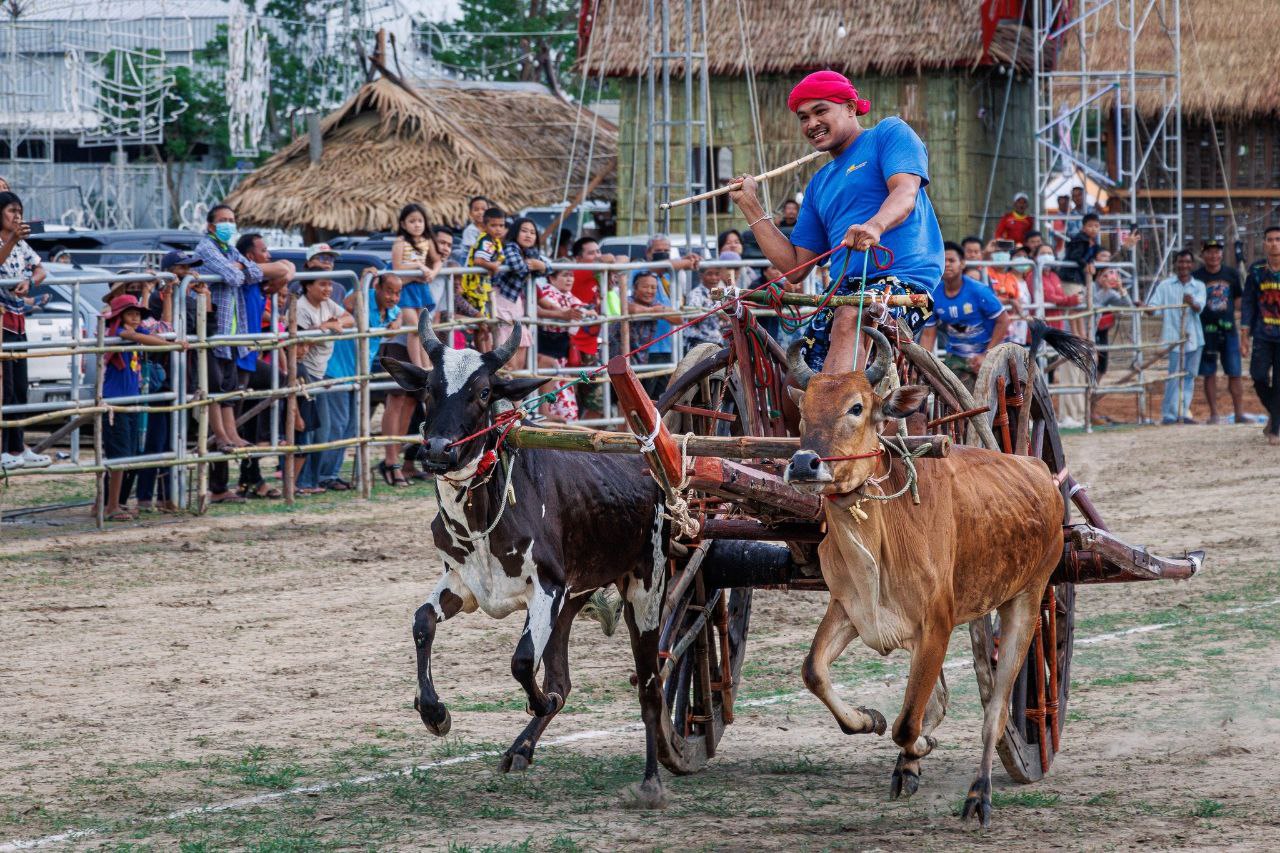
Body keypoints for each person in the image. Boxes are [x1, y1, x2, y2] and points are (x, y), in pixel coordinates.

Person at [730, 69, 943, 372]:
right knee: (795, 391)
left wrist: (875, 226)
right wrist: (749, 205)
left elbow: (905, 193)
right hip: (846, 292)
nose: (811, 123)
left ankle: (838, 416)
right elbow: (794, 267)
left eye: (820, 111)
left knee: (850, 316)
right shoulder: (819, 183)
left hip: (902, 283)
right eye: (803, 117)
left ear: (851, 107)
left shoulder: (889, 133)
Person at [99, 294, 185, 521]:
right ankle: (111, 506)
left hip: (130, 400)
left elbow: (153, 334)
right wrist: (173, 345)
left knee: (127, 454)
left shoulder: (137, 335)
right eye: (130, 313)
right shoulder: (118, 333)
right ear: (119, 316)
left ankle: (110, 503)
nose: (136, 318)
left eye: (138, 314)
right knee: (118, 456)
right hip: (115, 402)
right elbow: (138, 336)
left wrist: (169, 342)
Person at [192, 203, 259, 456]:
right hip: (211, 325)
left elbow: (253, 272)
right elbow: (233, 277)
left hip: (232, 328)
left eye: (232, 219)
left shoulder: (229, 248)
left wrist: (240, 268)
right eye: (224, 220)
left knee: (229, 386)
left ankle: (233, 434)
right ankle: (220, 436)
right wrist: (240, 269)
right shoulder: (206, 248)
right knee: (214, 386)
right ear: (211, 226)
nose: (229, 224)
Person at [232, 235, 292, 499]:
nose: (268, 255)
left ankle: (250, 478)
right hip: (234, 355)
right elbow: (281, 268)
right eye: (263, 250)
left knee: (249, 416)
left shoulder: (253, 279)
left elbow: (286, 270)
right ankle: (227, 482)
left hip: (248, 354)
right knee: (232, 420)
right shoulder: (239, 277)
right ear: (248, 255)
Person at [0, 190, 51, 471]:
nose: (16, 216)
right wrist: (12, 240)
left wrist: (30, 281)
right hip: (1, 320)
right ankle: (3, 449)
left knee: (20, 385)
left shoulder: (21, 245)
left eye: (19, 211)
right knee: (3, 387)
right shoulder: (10, 242)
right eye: (10, 211)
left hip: (18, 319)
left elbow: (41, 268)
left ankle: (17, 447)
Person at [918, 242, 1011, 389]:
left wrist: (987, 354)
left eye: (952, 260)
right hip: (956, 357)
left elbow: (1003, 321)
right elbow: (928, 335)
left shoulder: (979, 291)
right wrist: (921, 364)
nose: (947, 264)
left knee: (996, 402)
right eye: (943, 261)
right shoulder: (934, 295)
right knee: (951, 400)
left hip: (989, 352)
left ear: (962, 264)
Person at [294, 274, 354, 494]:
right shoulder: (301, 307)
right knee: (307, 429)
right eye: (322, 284)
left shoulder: (327, 303)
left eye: (330, 283)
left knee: (322, 429)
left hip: (319, 374)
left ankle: (313, 480)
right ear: (308, 286)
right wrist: (322, 328)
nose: (328, 288)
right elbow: (300, 343)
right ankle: (302, 482)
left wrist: (333, 323)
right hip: (305, 373)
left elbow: (350, 318)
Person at [1192, 238, 1246, 424]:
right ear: (1203, 254)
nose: (1213, 255)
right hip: (1206, 332)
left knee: (1235, 371)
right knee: (1209, 372)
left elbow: (1238, 300)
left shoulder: (1231, 274)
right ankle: (1214, 414)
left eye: (1217, 252)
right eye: (1209, 252)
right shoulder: (1197, 276)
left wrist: (1248, 312)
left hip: (1229, 330)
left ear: (1221, 254)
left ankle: (1239, 413)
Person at [1149, 249, 1206, 425]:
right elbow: (1154, 307)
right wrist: (1147, 309)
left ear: (1192, 265)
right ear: (1175, 264)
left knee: (1189, 376)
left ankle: (1183, 411)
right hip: (1173, 337)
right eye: (1181, 262)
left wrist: (1192, 302)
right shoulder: (1165, 286)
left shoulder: (1199, 286)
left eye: (1187, 262)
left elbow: (1199, 308)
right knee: (1174, 376)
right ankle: (1169, 414)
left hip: (1194, 338)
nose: (1184, 265)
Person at [490, 216, 550, 370]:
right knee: (506, 363)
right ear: (515, 232)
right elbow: (518, 267)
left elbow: (549, 268)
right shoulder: (510, 247)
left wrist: (541, 265)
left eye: (532, 232)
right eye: (524, 231)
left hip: (515, 306)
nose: (528, 235)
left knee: (519, 364)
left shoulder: (531, 252)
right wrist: (536, 267)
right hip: (501, 302)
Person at [535, 267, 592, 422]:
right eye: (565, 275)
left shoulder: (568, 295)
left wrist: (584, 312)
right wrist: (567, 313)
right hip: (546, 347)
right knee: (562, 406)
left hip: (562, 354)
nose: (570, 279)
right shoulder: (547, 292)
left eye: (571, 276)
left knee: (568, 409)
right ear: (552, 278)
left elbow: (585, 309)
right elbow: (552, 310)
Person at [1242, 226, 1280, 445]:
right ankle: (1277, 416)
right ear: (1264, 243)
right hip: (1263, 333)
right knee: (1258, 376)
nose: (1274, 243)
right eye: (1270, 240)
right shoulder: (1256, 269)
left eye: (1278, 239)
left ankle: (1275, 430)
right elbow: (1248, 302)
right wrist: (1244, 332)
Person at [568, 236, 612, 420]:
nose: (597, 256)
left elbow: (617, 261)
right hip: (572, 348)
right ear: (578, 259)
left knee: (598, 405)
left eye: (598, 251)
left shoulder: (597, 275)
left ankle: (582, 443)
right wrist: (605, 260)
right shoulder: (576, 273)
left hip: (591, 348)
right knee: (572, 404)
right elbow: (611, 259)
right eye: (591, 253)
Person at [391, 203, 442, 316]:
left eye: (420, 221)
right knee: (415, 329)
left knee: (421, 328)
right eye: (412, 221)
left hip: (421, 288)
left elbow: (437, 261)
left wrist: (433, 273)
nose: (417, 225)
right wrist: (418, 265)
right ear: (403, 225)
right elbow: (397, 267)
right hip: (404, 288)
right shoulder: (401, 241)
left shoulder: (427, 240)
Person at [1062, 212, 1102, 284]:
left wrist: (1091, 263)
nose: (1093, 229)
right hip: (1071, 278)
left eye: (1096, 226)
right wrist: (1086, 265)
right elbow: (1075, 256)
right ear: (1083, 228)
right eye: (1090, 226)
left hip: (1081, 277)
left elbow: (1090, 258)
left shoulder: (1095, 243)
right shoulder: (1079, 240)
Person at [428, 225, 455, 318]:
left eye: (449, 245)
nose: (446, 248)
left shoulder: (446, 272)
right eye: (442, 243)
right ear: (430, 242)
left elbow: (437, 313)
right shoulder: (411, 266)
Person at [458, 195, 493, 261]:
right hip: (470, 265)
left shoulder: (491, 228)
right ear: (470, 213)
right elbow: (475, 251)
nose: (480, 212)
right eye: (476, 210)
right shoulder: (470, 231)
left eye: (484, 209)